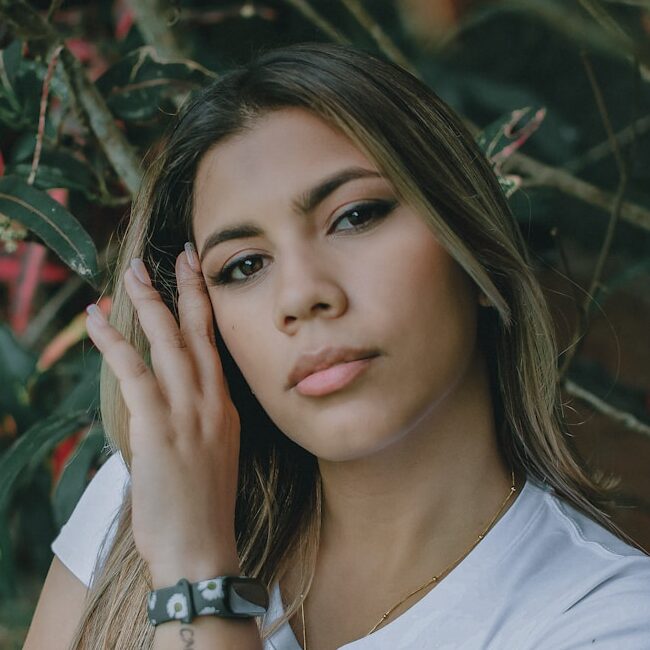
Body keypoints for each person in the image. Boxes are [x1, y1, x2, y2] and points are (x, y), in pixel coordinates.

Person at [24, 42, 650, 650]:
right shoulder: (150, 499)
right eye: (244, 265)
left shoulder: (602, 618)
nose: (302, 296)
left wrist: (196, 578)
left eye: (354, 216)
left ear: (473, 245)